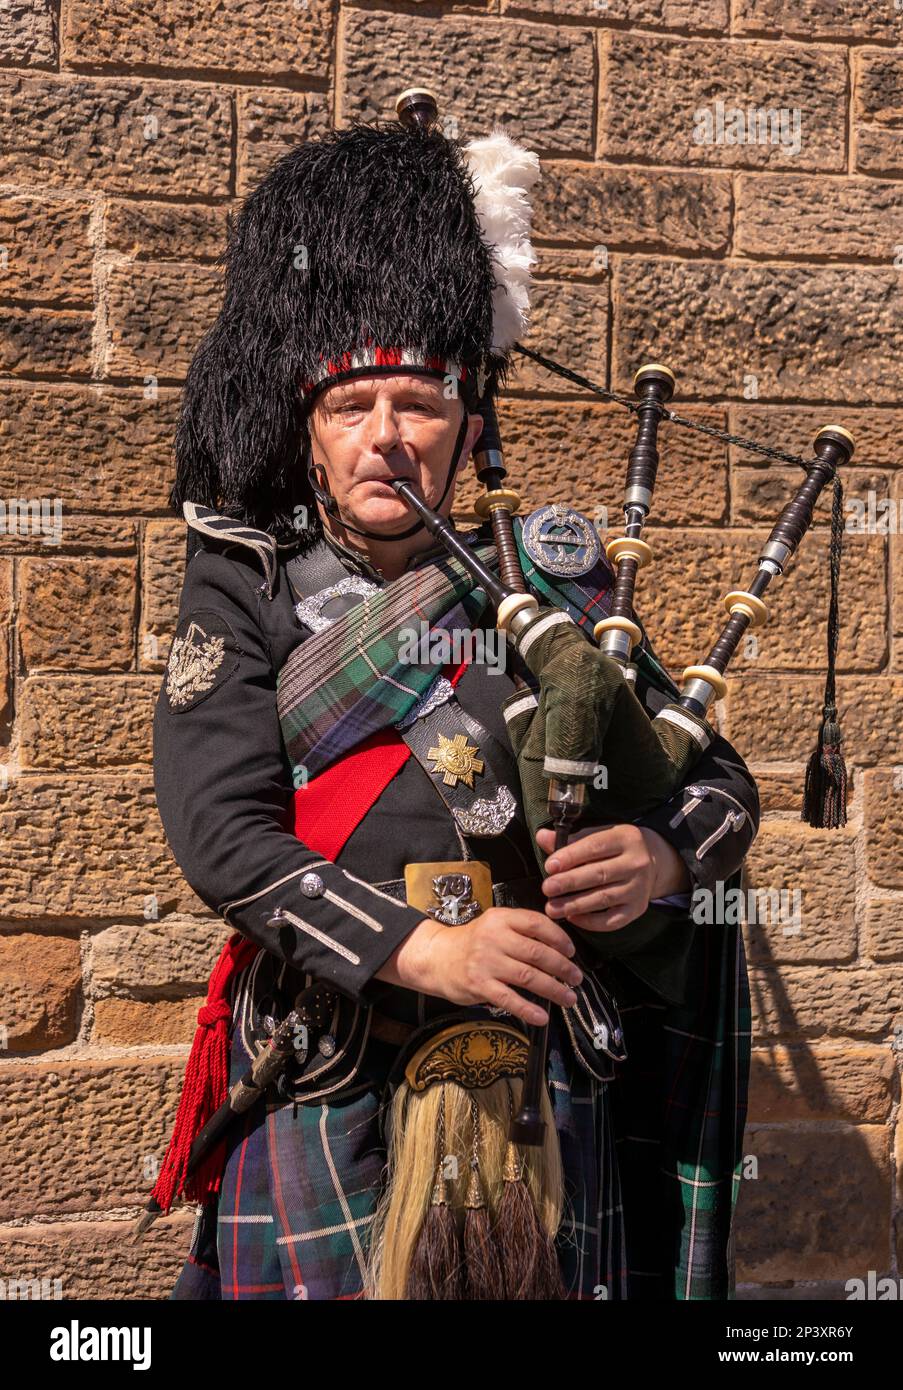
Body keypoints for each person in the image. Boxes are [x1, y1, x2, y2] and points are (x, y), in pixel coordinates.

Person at [148, 104, 759, 1301]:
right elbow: (223, 837)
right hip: (332, 1057)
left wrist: (661, 860)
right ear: (311, 438)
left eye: (416, 405)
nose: (385, 438)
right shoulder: (244, 580)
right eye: (349, 408)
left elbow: (719, 784)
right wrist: (429, 949)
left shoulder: (552, 579)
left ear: (465, 423)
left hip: (537, 1077)